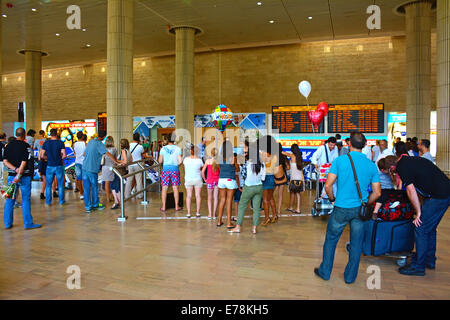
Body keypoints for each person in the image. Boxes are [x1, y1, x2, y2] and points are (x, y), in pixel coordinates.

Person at [314, 132, 381, 284]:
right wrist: (365, 202)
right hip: (359, 210)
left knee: (331, 240)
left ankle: (325, 272)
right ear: (365, 145)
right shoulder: (371, 165)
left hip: (341, 208)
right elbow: (377, 193)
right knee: (356, 244)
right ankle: (350, 277)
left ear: (348, 143)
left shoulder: (340, 161)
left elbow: (328, 185)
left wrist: (332, 199)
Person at [390, 154, 450, 276]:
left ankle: (418, 267)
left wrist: (418, 213)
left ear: (392, 167)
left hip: (438, 196)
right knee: (430, 229)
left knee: (420, 228)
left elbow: (411, 190)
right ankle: (429, 260)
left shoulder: (402, 167)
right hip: (444, 192)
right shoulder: (410, 160)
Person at [2, 128, 41, 229]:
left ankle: (7, 223)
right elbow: (24, 161)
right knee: (25, 200)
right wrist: (19, 172)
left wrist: (15, 169)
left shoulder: (8, 146)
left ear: (16, 134)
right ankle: (28, 223)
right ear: (24, 136)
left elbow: (5, 161)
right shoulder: (26, 146)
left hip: (11, 176)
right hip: (24, 176)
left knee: (9, 199)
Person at [229, 142, 266, 235]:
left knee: (241, 206)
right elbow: (263, 178)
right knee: (256, 209)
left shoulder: (247, 163)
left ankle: (238, 227)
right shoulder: (262, 164)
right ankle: (254, 228)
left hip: (248, 187)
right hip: (259, 187)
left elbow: (243, 175)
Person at [82, 130, 118, 213]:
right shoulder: (99, 144)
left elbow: (84, 154)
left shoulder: (90, 141)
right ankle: (95, 204)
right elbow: (107, 154)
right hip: (92, 169)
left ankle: (87, 207)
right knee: (94, 187)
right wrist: (116, 162)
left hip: (84, 168)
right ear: (104, 137)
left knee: (87, 188)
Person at [216, 141, 240, 229]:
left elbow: (219, 167)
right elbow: (237, 169)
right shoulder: (233, 158)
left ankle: (219, 221)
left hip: (221, 180)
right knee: (229, 201)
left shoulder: (219, 158)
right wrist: (235, 166)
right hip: (230, 179)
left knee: (222, 200)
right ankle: (229, 223)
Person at [40, 128, 67, 206]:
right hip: (59, 165)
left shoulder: (46, 143)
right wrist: (59, 158)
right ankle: (61, 201)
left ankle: (48, 202)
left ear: (50, 134)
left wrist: (48, 158)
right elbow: (64, 155)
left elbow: (42, 155)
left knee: (48, 185)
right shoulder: (60, 143)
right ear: (57, 134)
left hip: (49, 165)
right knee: (60, 184)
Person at [158, 133, 182, 212]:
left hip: (165, 170)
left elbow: (160, 161)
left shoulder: (163, 149)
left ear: (167, 140)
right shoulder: (178, 149)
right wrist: (175, 164)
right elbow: (180, 161)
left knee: (164, 188)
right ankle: (176, 206)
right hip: (174, 169)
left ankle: (164, 207)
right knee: (175, 188)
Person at [260, 136, 278, 226]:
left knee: (265, 200)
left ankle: (267, 218)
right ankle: (275, 215)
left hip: (265, 178)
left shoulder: (263, 154)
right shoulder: (275, 155)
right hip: (272, 178)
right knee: (270, 198)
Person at [183, 145, 204, 218]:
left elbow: (185, 169)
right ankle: (197, 213)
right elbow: (201, 170)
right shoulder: (200, 160)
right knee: (198, 195)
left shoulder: (185, 159)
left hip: (188, 179)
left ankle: (188, 213)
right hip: (197, 179)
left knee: (189, 196)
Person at [126, 133, 147, 200]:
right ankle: (140, 195)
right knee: (139, 180)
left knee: (129, 180)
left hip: (130, 165)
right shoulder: (140, 147)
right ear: (138, 138)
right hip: (138, 165)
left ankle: (127, 195)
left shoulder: (128, 145)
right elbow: (144, 155)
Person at [284, 144, 305, 214]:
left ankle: (291, 207)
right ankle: (297, 209)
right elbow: (301, 171)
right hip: (300, 179)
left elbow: (283, 153)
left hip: (293, 179)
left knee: (292, 193)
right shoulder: (300, 158)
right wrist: (303, 180)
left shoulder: (292, 156)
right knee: (298, 194)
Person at [111, 139, 131, 210]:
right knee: (117, 186)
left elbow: (125, 161)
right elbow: (130, 160)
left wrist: (117, 161)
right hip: (125, 170)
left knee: (115, 186)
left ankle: (118, 202)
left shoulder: (123, 151)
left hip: (120, 171)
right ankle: (117, 201)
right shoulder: (128, 151)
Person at [202, 147, 220, 220]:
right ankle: (214, 214)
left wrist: (205, 179)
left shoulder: (208, 161)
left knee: (209, 198)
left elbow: (202, 171)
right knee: (215, 198)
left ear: (211, 153)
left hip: (209, 181)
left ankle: (209, 214)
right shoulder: (219, 162)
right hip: (217, 181)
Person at [274, 143, 290, 219]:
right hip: (283, 177)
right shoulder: (283, 156)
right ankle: (279, 210)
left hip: (274, 177)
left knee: (270, 194)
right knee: (280, 195)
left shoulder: (273, 156)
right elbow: (288, 167)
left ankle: (272, 209)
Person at [102, 136, 117, 204]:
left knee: (106, 182)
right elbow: (115, 159)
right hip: (112, 167)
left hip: (104, 166)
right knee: (113, 182)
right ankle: (113, 196)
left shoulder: (103, 149)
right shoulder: (114, 149)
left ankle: (108, 197)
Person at [73, 132, 86, 200]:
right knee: (85, 179)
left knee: (79, 179)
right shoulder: (85, 144)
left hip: (77, 162)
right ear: (82, 136)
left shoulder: (74, 144)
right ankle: (86, 192)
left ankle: (81, 194)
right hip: (84, 163)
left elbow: (74, 153)